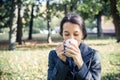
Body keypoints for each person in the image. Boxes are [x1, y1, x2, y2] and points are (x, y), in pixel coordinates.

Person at [47, 13, 101, 80]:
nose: (71, 38)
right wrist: (62, 62)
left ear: (83, 35)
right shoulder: (54, 54)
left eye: (76, 34)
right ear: (62, 34)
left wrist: (80, 63)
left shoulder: (93, 55)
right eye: (67, 34)